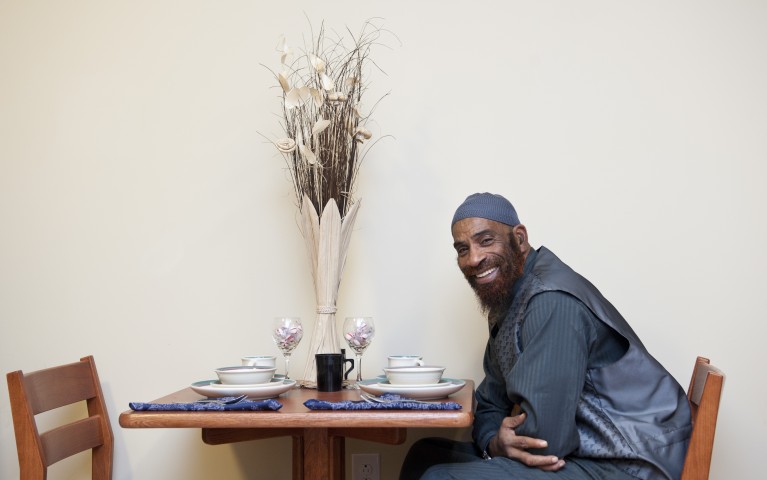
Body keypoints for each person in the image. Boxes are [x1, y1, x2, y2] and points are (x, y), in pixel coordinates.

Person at [400, 193, 692, 480]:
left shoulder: (549, 301)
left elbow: (545, 441)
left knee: (440, 476)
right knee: (425, 454)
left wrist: (499, 444)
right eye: (462, 249)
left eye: (486, 240)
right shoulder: (509, 298)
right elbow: (490, 402)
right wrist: (493, 440)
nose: (474, 258)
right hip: (583, 456)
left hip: (626, 464)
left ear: (520, 238)